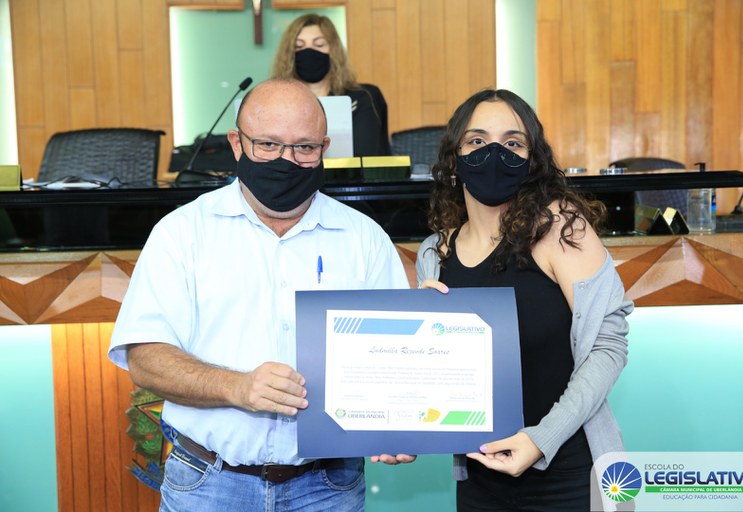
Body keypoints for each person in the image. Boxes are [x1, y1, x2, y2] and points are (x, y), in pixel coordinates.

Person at [108, 78, 413, 512]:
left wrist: (399, 424)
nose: (286, 160)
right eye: (268, 144)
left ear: (324, 148)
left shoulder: (364, 238)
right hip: (208, 485)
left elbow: (396, 361)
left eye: (304, 147)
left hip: (328, 488)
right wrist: (237, 387)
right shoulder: (181, 233)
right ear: (237, 143)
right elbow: (145, 359)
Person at [416, 89, 633, 511]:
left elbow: (608, 346)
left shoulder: (562, 229)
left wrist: (540, 440)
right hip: (480, 482)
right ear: (454, 158)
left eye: (512, 143)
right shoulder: (434, 252)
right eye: (477, 141)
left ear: (532, 160)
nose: (494, 153)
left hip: (571, 475)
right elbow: (441, 382)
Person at [272, 13, 392, 157]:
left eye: (319, 45)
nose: (309, 52)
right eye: (299, 46)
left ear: (334, 50)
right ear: (289, 55)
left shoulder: (363, 97)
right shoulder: (277, 102)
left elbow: (368, 155)